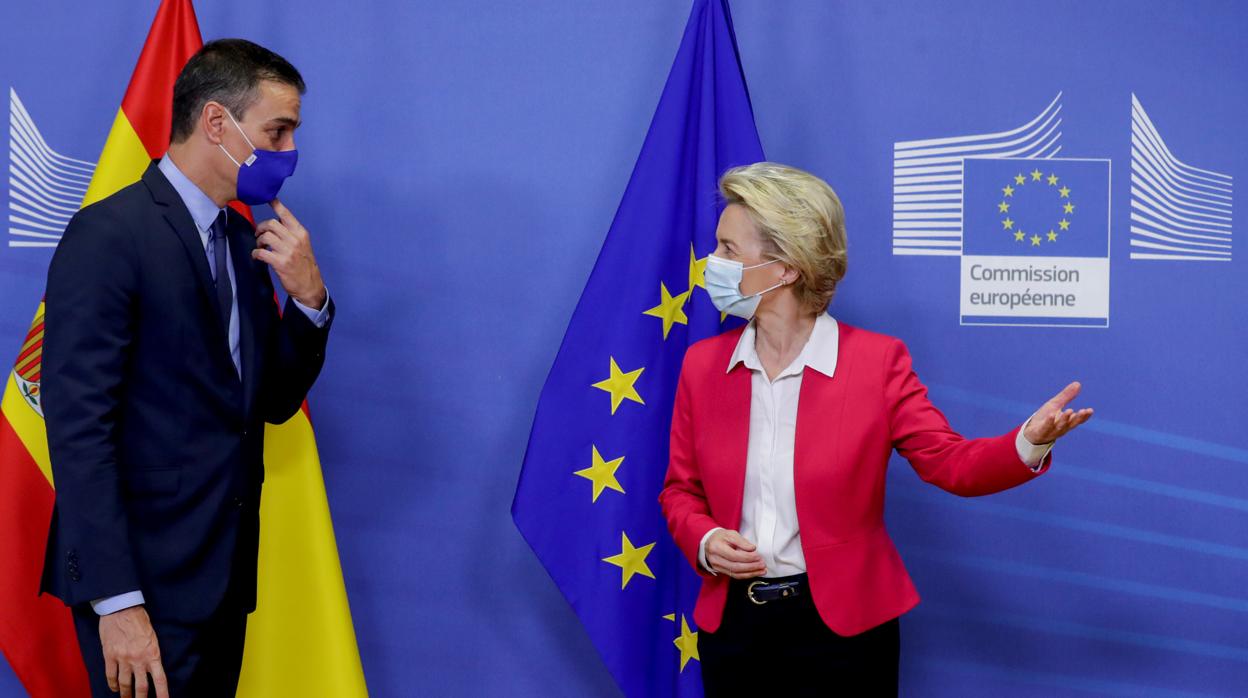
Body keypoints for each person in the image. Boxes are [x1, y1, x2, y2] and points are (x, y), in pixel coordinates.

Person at [659, 162, 1093, 696]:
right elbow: (680, 490)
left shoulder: (877, 362)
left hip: (845, 632)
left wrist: (1030, 439)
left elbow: (951, 464)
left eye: (729, 249)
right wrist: (703, 539)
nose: (712, 263)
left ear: (786, 268)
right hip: (734, 633)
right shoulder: (702, 367)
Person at [39, 39, 333, 697]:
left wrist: (309, 303)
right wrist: (116, 604)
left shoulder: (243, 241)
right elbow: (79, 430)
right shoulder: (108, 236)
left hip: (222, 582)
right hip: (141, 589)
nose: (288, 152)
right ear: (216, 124)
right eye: (277, 130)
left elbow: (271, 402)